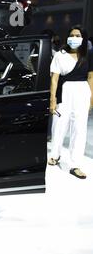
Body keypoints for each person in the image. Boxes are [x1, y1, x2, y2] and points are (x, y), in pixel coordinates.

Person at [48, 26, 93, 179]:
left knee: (80, 129)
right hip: (65, 91)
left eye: (77, 35)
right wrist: (52, 100)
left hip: (82, 92)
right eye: (72, 35)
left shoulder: (88, 55)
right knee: (59, 124)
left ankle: (75, 164)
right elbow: (54, 79)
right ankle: (55, 154)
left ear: (83, 38)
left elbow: (91, 77)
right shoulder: (60, 55)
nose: (74, 38)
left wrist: (92, 98)